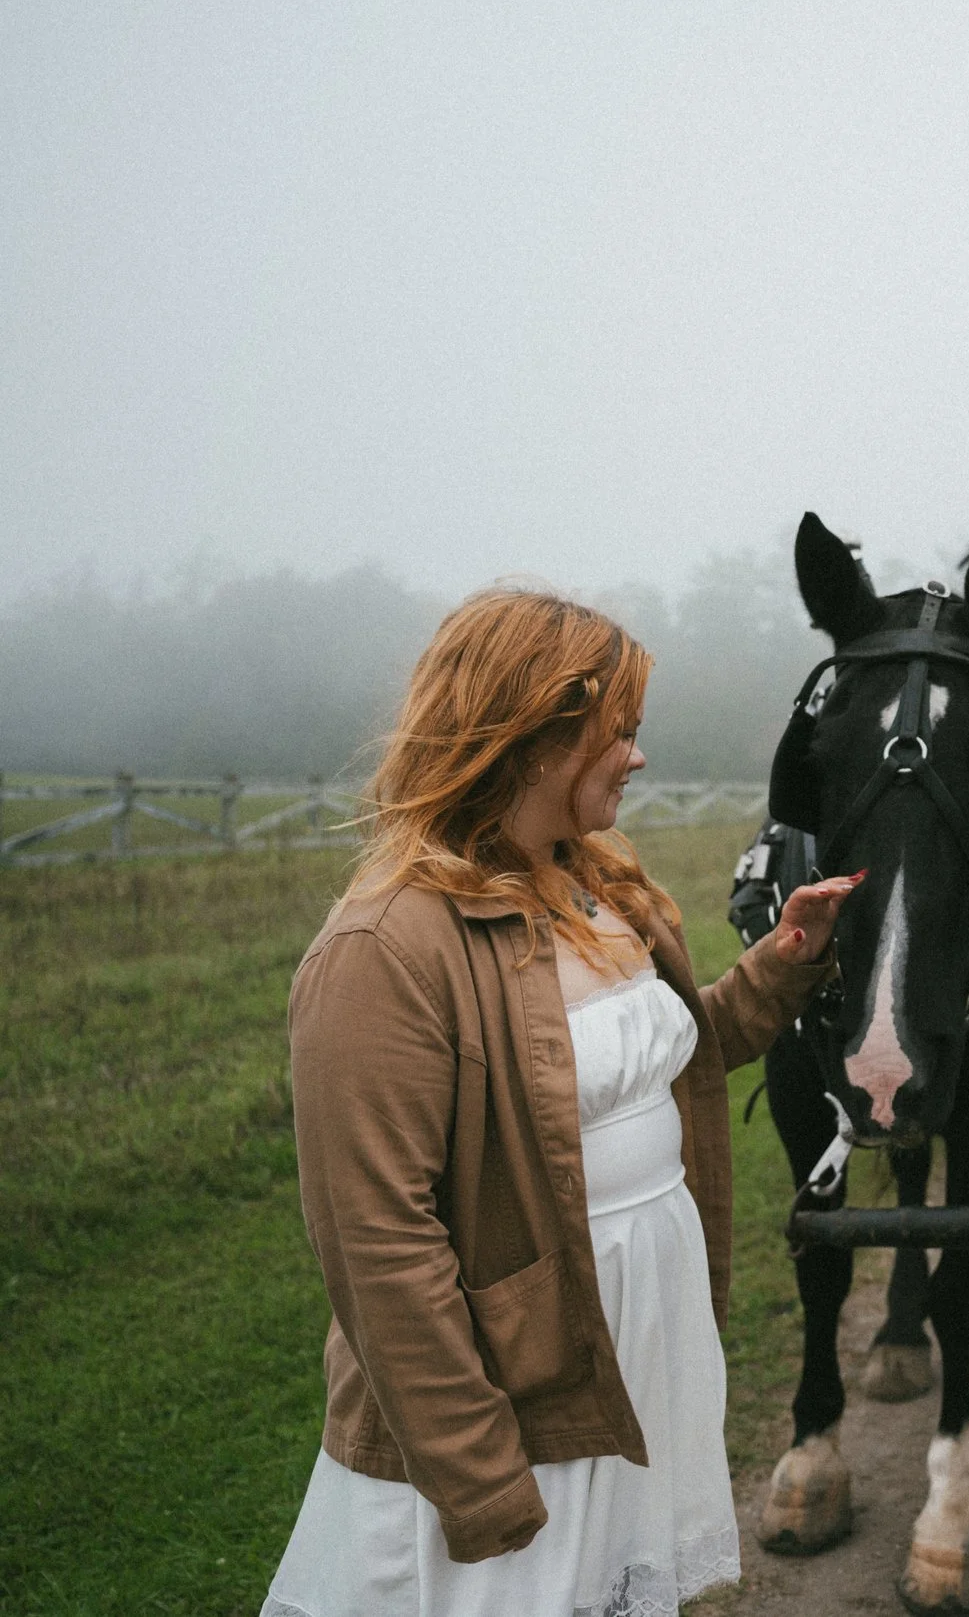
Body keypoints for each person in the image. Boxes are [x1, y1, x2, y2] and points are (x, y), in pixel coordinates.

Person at [262, 588, 852, 1617]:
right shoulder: (384, 948)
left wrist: (783, 962)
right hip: (513, 1388)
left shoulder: (595, 882)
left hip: (628, 1342)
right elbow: (378, 1242)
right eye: (616, 731)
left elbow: (669, 1056)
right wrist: (476, 1469)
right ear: (529, 734)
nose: (635, 755)